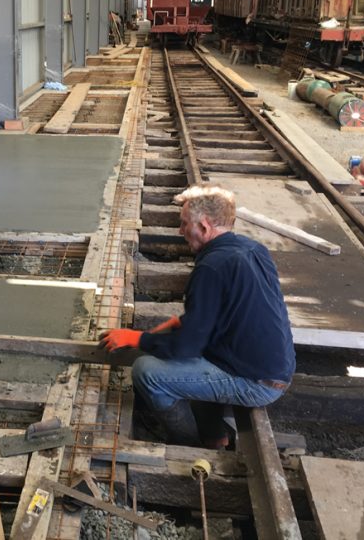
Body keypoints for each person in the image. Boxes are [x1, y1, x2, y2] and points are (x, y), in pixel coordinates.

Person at [100, 185, 295, 448]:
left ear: (204, 227)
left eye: (183, 224)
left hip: (257, 383)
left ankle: (189, 442)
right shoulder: (252, 249)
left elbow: (187, 347)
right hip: (273, 366)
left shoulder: (211, 267)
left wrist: (136, 338)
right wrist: (181, 324)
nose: (180, 232)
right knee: (181, 347)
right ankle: (216, 435)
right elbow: (234, 309)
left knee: (146, 371)